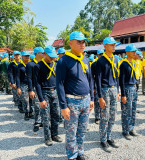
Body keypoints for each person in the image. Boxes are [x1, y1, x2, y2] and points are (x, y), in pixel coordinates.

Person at [56, 31, 94, 160]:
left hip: (85, 100)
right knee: (71, 132)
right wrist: (63, 106)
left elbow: (90, 80)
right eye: (79, 42)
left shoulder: (85, 59)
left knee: (82, 130)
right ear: (70, 43)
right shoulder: (63, 61)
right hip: (72, 101)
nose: (82, 44)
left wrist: (92, 98)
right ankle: (72, 155)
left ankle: (80, 152)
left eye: (83, 41)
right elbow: (59, 84)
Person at [34, 46, 62, 146]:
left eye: (53, 56)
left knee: (56, 115)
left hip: (55, 92)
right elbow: (36, 83)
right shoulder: (38, 66)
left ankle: (55, 134)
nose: (52, 58)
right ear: (45, 54)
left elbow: (60, 80)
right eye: (50, 56)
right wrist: (41, 99)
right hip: (44, 92)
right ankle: (47, 137)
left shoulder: (56, 64)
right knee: (45, 116)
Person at [95, 37, 119, 153]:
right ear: (105, 46)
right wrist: (100, 97)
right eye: (111, 45)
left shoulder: (115, 59)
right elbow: (98, 80)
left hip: (114, 89)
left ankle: (109, 137)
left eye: (114, 44)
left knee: (113, 115)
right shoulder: (100, 61)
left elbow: (117, 76)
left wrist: (118, 90)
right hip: (104, 90)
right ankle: (103, 139)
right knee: (104, 116)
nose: (114, 46)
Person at [119, 44, 138, 140]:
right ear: (127, 53)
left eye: (135, 51)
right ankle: (125, 130)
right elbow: (121, 80)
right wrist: (123, 94)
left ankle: (131, 128)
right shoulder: (123, 64)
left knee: (133, 110)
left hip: (133, 88)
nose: (134, 53)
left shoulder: (133, 63)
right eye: (132, 51)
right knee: (127, 111)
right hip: (127, 88)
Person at [26, 47, 44, 132]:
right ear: (37, 53)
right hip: (35, 87)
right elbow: (29, 78)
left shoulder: (44, 63)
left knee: (44, 105)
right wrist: (30, 90)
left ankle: (44, 120)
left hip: (44, 87)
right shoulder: (30, 64)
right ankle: (37, 122)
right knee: (37, 105)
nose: (44, 54)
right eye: (42, 53)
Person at [16, 51, 34, 120]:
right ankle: (26, 113)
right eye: (25, 56)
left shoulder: (32, 64)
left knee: (32, 99)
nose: (27, 57)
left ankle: (31, 112)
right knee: (25, 99)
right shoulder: (20, 66)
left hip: (32, 84)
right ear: (22, 57)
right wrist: (18, 87)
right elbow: (17, 77)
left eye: (28, 56)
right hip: (24, 84)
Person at [91, 49, 104, 124]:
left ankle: (103, 116)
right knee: (97, 101)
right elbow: (92, 77)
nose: (101, 56)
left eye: (102, 54)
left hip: (104, 84)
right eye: (100, 54)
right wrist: (92, 87)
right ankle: (97, 117)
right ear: (97, 55)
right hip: (96, 83)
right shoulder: (94, 64)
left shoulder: (105, 63)